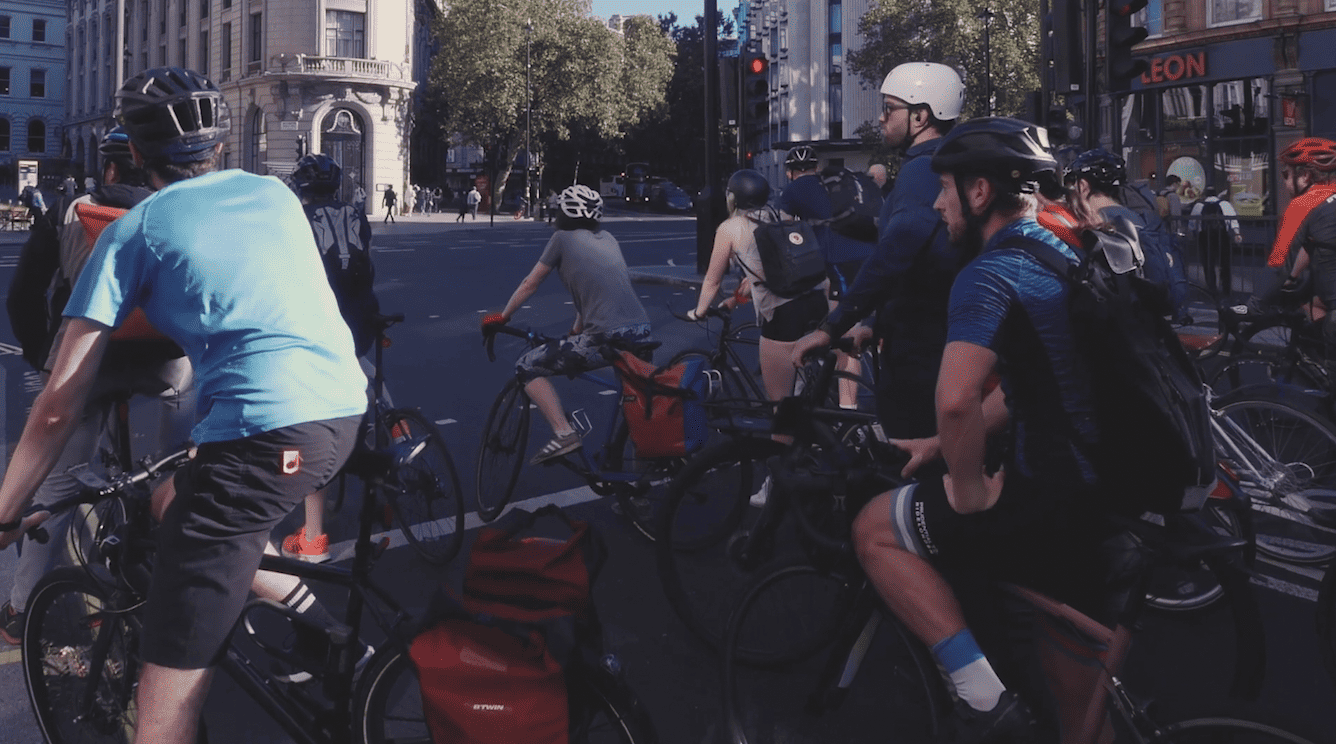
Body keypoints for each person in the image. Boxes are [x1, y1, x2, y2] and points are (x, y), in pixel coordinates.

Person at [0, 67, 369, 744]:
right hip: (342, 407)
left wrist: (6, 509)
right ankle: (328, 628)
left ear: (134, 155)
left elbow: (59, 402)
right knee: (172, 501)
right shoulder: (275, 195)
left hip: (265, 434)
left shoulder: (132, 232)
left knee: (162, 705)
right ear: (221, 146)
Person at [851, 117, 1111, 744]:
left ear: (979, 192)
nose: (937, 203)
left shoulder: (989, 274)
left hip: (1055, 493)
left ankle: (983, 700)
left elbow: (958, 398)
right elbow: (1036, 386)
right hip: (1108, 482)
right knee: (1082, 723)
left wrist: (966, 489)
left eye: (945, 188)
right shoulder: (1064, 249)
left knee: (874, 530)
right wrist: (942, 448)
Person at [3, 127, 196, 646]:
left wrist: (40, 352)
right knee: (176, 468)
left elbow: (23, 296)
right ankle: (173, 569)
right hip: (167, 360)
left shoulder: (68, 210)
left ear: (110, 168)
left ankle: (21, 610)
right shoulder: (174, 210)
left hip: (90, 361)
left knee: (57, 486)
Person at [790, 61, 967, 442]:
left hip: (921, 350)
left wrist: (832, 326)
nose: (881, 118)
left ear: (920, 116)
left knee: (906, 460)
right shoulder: (935, 165)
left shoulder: (924, 171)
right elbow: (922, 261)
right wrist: (873, 325)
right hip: (925, 336)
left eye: (889, 108)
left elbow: (896, 252)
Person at [490, 184, 651, 463]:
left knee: (526, 366)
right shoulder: (609, 239)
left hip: (605, 336)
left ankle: (564, 433)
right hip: (642, 331)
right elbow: (596, 290)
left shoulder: (561, 238)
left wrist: (502, 317)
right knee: (634, 402)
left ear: (563, 212)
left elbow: (531, 283)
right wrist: (576, 331)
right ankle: (636, 482)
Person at [281, 152, 382, 563]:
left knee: (308, 420)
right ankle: (387, 432)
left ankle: (313, 538)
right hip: (363, 316)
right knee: (363, 374)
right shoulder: (356, 214)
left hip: (321, 321)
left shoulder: (296, 219)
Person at [691, 169, 828, 412]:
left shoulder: (730, 227)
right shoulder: (780, 215)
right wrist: (735, 300)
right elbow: (765, 271)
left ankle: (788, 445)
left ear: (733, 199)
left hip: (784, 312)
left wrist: (700, 311)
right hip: (817, 299)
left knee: (780, 404)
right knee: (802, 390)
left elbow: (712, 281)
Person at [777, 145, 872, 412]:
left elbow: (786, 236)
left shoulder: (792, 190)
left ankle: (848, 412)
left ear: (789, 172)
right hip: (868, 256)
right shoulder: (833, 184)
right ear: (816, 168)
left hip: (841, 262)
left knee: (844, 335)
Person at [1065, 148, 1191, 321]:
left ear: (1083, 187)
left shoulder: (1093, 228)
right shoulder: (1144, 219)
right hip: (1154, 323)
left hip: (1117, 329)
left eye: (1073, 185)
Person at [1264, 138, 1336, 376]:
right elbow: (1310, 246)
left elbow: (1278, 264)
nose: (1284, 181)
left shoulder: (1304, 204)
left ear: (1305, 176)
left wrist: (1252, 305)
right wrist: (1293, 276)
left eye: (1286, 174)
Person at [1189, 185, 1243, 298]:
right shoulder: (1225, 204)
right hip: (1222, 236)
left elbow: (1192, 224)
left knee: (1208, 265)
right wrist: (1237, 233)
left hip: (1205, 237)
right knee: (1225, 264)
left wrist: (1192, 235)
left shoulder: (1199, 205)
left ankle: (1212, 291)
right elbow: (1233, 220)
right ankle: (1226, 290)